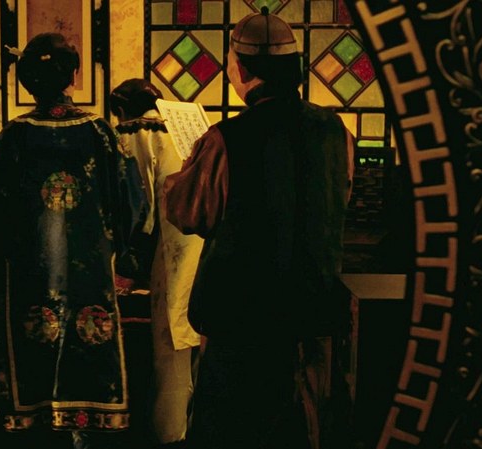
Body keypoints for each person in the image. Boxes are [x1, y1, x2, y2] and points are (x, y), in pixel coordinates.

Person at [163, 7, 355, 449]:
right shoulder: (336, 131)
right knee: (305, 429)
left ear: (242, 69)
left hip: (242, 321)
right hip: (312, 315)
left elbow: (188, 211)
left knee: (233, 431)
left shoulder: (226, 138)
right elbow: (338, 198)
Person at [0, 32, 146, 449]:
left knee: (33, 340)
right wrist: (119, 251)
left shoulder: (13, 137)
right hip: (90, 272)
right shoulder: (100, 133)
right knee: (90, 337)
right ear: (74, 75)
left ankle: (34, 427)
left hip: (28, 272)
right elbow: (132, 201)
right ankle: (88, 425)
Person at [110, 79, 204, 449]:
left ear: (121, 110)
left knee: (169, 349)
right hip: (200, 244)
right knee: (191, 342)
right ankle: (191, 429)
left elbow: (139, 207)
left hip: (167, 246)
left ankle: (169, 434)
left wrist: (128, 264)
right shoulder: (188, 129)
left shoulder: (136, 133)